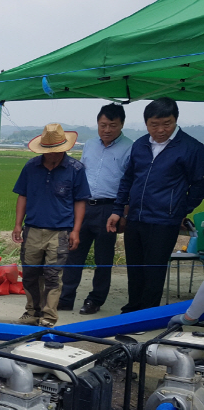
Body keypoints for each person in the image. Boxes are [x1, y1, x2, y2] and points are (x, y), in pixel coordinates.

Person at [107, 97, 204, 313]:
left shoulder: (191, 148)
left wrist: (180, 209)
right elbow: (128, 179)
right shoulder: (140, 144)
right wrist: (118, 210)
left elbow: (199, 185)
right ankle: (132, 308)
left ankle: (147, 312)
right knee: (135, 267)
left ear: (175, 120)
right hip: (135, 217)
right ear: (146, 123)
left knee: (154, 269)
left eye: (166, 123)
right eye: (154, 124)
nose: (160, 130)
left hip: (164, 220)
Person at [12, 123, 90, 328]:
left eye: (56, 151)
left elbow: (80, 201)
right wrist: (17, 224)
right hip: (33, 228)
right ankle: (32, 311)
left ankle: (48, 316)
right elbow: (23, 196)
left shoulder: (75, 169)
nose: (52, 155)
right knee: (30, 273)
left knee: (53, 275)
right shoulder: (31, 167)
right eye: (48, 151)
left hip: (60, 231)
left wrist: (75, 230)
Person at [59, 104, 133, 315]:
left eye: (112, 125)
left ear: (122, 125)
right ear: (97, 124)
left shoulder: (130, 147)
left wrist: (123, 214)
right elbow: (81, 175)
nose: (107, 129)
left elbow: (130, 183)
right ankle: (65, 298)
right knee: (73, 253)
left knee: (103, 258)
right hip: (84, 206)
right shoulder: (90, 144)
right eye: (103, 125)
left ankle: (95, 299)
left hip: (110, 209)